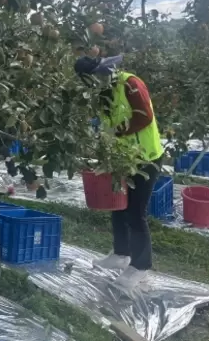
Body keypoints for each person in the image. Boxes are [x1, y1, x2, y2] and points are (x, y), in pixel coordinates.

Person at [74, 55, 164, 289]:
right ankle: (121, 254)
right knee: (117, 206)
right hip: (121, 158)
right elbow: (105, 124)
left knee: (135, 212)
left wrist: (118, 131)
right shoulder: (103, 93)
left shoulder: (130, 84)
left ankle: (141, 266)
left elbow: (145, 116)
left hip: (145, 158)